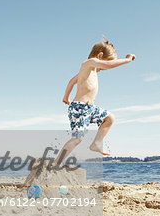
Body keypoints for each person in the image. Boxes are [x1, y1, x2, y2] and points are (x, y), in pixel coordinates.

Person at [54, 36, 135, 166]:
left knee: (109, 118)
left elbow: (71, 81)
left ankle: (96, 143)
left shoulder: (90, 71)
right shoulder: (88, 63)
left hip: (90, 109)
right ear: (100, 56)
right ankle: (57, 163)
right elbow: (107, 65)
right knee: (77, 139)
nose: (102, 69)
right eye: (102, 66)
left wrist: (66, 97)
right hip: (79, 108)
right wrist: (127, 60)